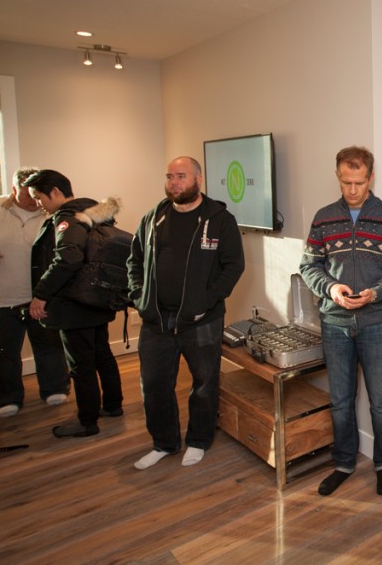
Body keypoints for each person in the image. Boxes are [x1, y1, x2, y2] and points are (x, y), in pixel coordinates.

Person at [299, 146, 382, 497]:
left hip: (377, 322)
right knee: (340, 400)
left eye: (359, 182)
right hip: (334, 323)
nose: (352, 190)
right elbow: (309, 266)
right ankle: (344, 463)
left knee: (380, 399)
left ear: (370, 177)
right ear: (338, 176)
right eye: (346, 182)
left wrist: (375, 293)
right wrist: (331, 288)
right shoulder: (323, 218)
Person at [127, 156, 245, 470]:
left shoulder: (219, 219)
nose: (174, 183)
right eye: (169, 176)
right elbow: (134, 260)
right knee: (154, 384)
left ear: (198, 180)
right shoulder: (154, 217)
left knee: (204, 383)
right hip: (156, 319)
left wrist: (205, 301)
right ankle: (163, 443)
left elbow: (233, 266)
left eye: (181, 176)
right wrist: (139, 296)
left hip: (201, 320)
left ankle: (198, 441)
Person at [0, 167, 70, 418]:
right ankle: (7, 397)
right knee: (3, 351)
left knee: (49, 345)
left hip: (40, 295)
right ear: (13, 189)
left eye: (36, 194)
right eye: (26, 194)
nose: (33, 200)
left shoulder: (50, 213)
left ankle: (55, 387)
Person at [24, 169, 124, 438]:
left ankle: (87, 421)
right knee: (102, 354)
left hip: (74, 303)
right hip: (97, 298)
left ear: (55, 192)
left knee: (81, 364)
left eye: (39, 197)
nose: (37, 203)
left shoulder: (67, 218)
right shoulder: (93, 212)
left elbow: (68, 259)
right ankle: (113, 405)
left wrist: (41, 294)